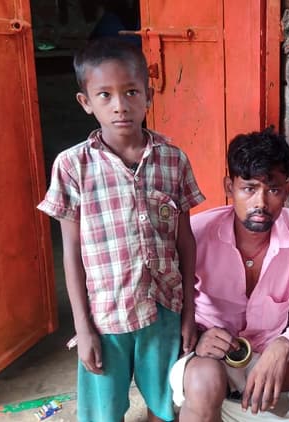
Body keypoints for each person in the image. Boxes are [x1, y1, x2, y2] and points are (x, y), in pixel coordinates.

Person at [37, 37, 204, 422]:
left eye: (131, 92)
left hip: (164, 309)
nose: (120, 105)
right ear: (86, 102)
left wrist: (188, 313)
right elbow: (71, 254)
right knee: (103, 412)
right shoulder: (72, 166)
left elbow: (185, 241)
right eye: (105, 95)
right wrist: (83, 328)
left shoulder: (173, 160)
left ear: (148, 95)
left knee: (166, 405)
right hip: (105, 316)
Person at [170, 128, 289, 422]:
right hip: (213, 362)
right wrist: (198, 337)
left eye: (273, 190)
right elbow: (167, 305)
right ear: (229, 187)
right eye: (249, 189)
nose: (260, 203)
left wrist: (284, 345)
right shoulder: (197, 233)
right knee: (203, 379)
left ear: (286, 191)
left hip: (271, 360)